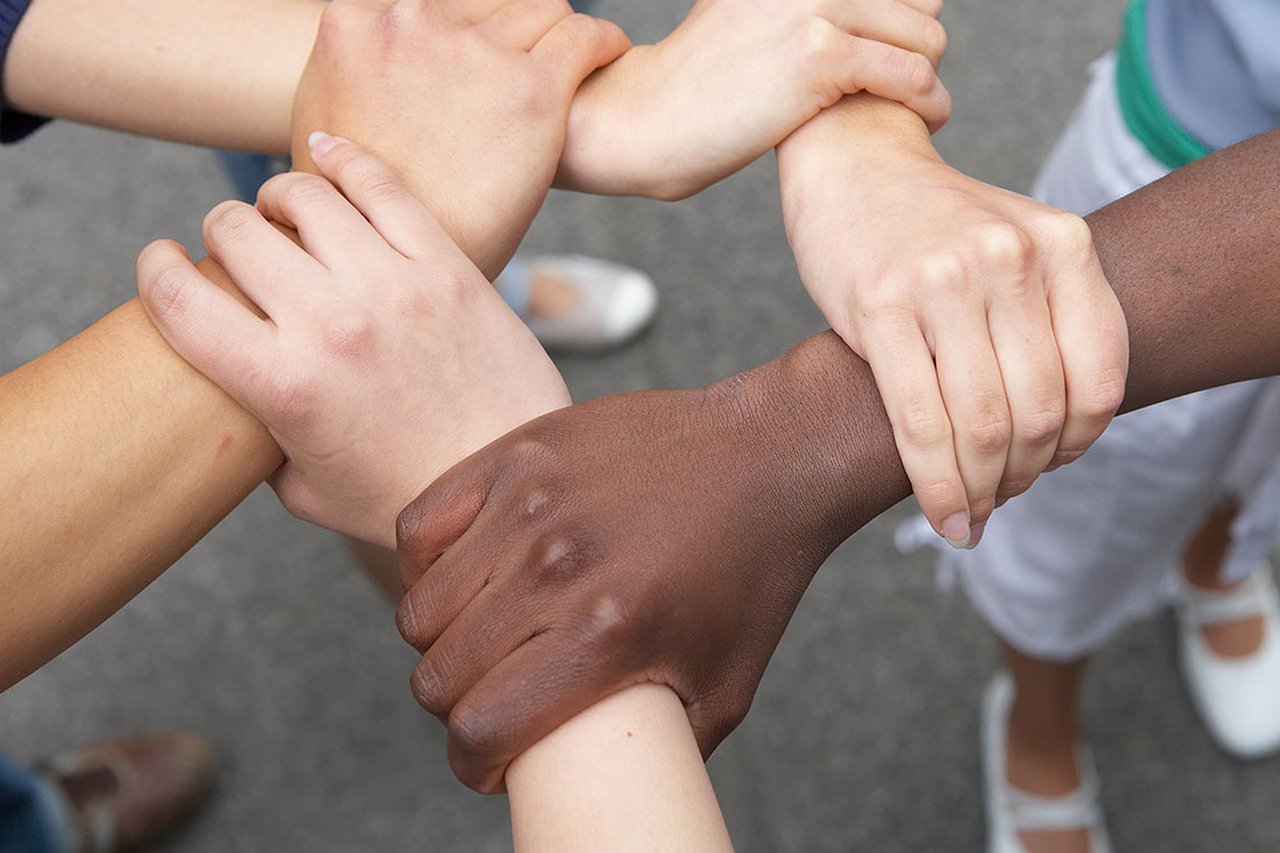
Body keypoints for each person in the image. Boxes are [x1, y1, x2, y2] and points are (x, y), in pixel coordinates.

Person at [890, 3, 1280, 850]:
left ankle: (1212, 563)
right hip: (1193, 154)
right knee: (1085, 483)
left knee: (1261, 452)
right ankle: (1037, 723)